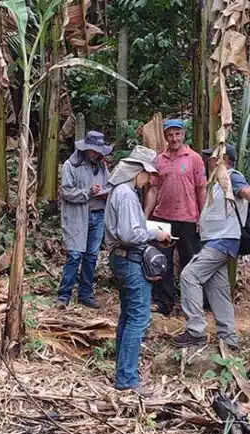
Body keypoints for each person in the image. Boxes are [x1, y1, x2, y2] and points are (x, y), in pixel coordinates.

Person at [172, 144, 250, 350]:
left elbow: (248, 193)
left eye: (212, 157)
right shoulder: (216, 182)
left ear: (223, 160)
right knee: (217, 289)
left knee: (189, 275)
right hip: (216, 241)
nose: (208, 161)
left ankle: (195, 331)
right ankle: (228, 337)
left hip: (223, 240)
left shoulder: (231, 176)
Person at [105, 146, 171, 396]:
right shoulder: (125, 194)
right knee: (139, 318)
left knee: (128, 316)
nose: (148, 179)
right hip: (130, 260)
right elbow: (129, 234)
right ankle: (127, 378)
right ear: (138, 171)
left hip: (123, 259)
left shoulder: (121, 192)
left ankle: (123, 372)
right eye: (147, 174)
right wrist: (156, 233)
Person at [144, 119, 206, 315]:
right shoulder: (159, 159)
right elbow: (153, 189)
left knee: (191, 262)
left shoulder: (194, 158)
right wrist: (145, 216)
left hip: (188, 218)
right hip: (162, 217)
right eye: (170, 134)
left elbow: (201, 188)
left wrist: (202, 217)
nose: (174, 138)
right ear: (165, 136)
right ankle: (163, 303)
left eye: (177, 134)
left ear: (183, 134)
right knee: (162, 261)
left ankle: (193, 304)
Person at [56, 131, 111, 309]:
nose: (96, 153)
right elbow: (66, 191)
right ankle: (63, 295)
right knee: (74, 255)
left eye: (98, 150)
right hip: (77, 216)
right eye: (93, 150)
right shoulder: (71, 165)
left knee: (91, 256)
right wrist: (88, 192)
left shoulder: (102, 165)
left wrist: (106, 193)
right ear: (86, 148)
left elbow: (109, 184)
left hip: (98, 215)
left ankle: (85, 294)